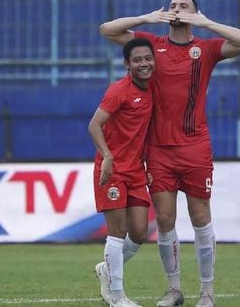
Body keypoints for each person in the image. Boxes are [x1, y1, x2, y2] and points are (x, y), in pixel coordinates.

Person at [99, 0, 240, 307]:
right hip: (158, 150)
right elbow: (108, 30)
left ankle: (208, 293)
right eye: (172, 5)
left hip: (195, 147)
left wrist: (207, 23)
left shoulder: (207, 49)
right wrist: (146, 17)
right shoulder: (151, 46)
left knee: (200, 217)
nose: (177, 9)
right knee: (166, 220)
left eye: (184, 6)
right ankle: (174, 290)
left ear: (196, 13)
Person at [88, 37, 155, 307]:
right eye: (137, 60)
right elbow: (94, 125)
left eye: (147, 58)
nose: (144, 63)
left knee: (139, 233)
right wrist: (107, 156)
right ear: (127, 64)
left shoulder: (154, 89)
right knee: (117, 232)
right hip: (112, 170)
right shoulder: (118, 91)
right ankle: (117, 296)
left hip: (137, 171)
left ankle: (106, 269)